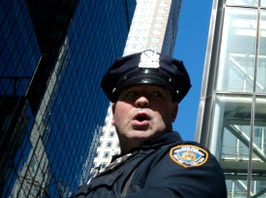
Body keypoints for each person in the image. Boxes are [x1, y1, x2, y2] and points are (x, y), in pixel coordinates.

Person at [71, 49, 227, 197]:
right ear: (113, 113)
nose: (142, 100)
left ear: (173, 112)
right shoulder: (99, 176)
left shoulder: (190, 161)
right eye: (131, 94)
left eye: (157, 95)